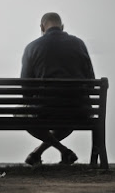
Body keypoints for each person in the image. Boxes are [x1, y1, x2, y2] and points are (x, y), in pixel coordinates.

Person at [20, 12, 95, 166]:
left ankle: (58, 151)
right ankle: (48, 153)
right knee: (67, 123)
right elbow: (91, 82)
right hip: (77, 109)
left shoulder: (32, 47)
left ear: (42, 27)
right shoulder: (79, 44)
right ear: (62, 26)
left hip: (45, 109)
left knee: (21, 116)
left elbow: (25, 88)